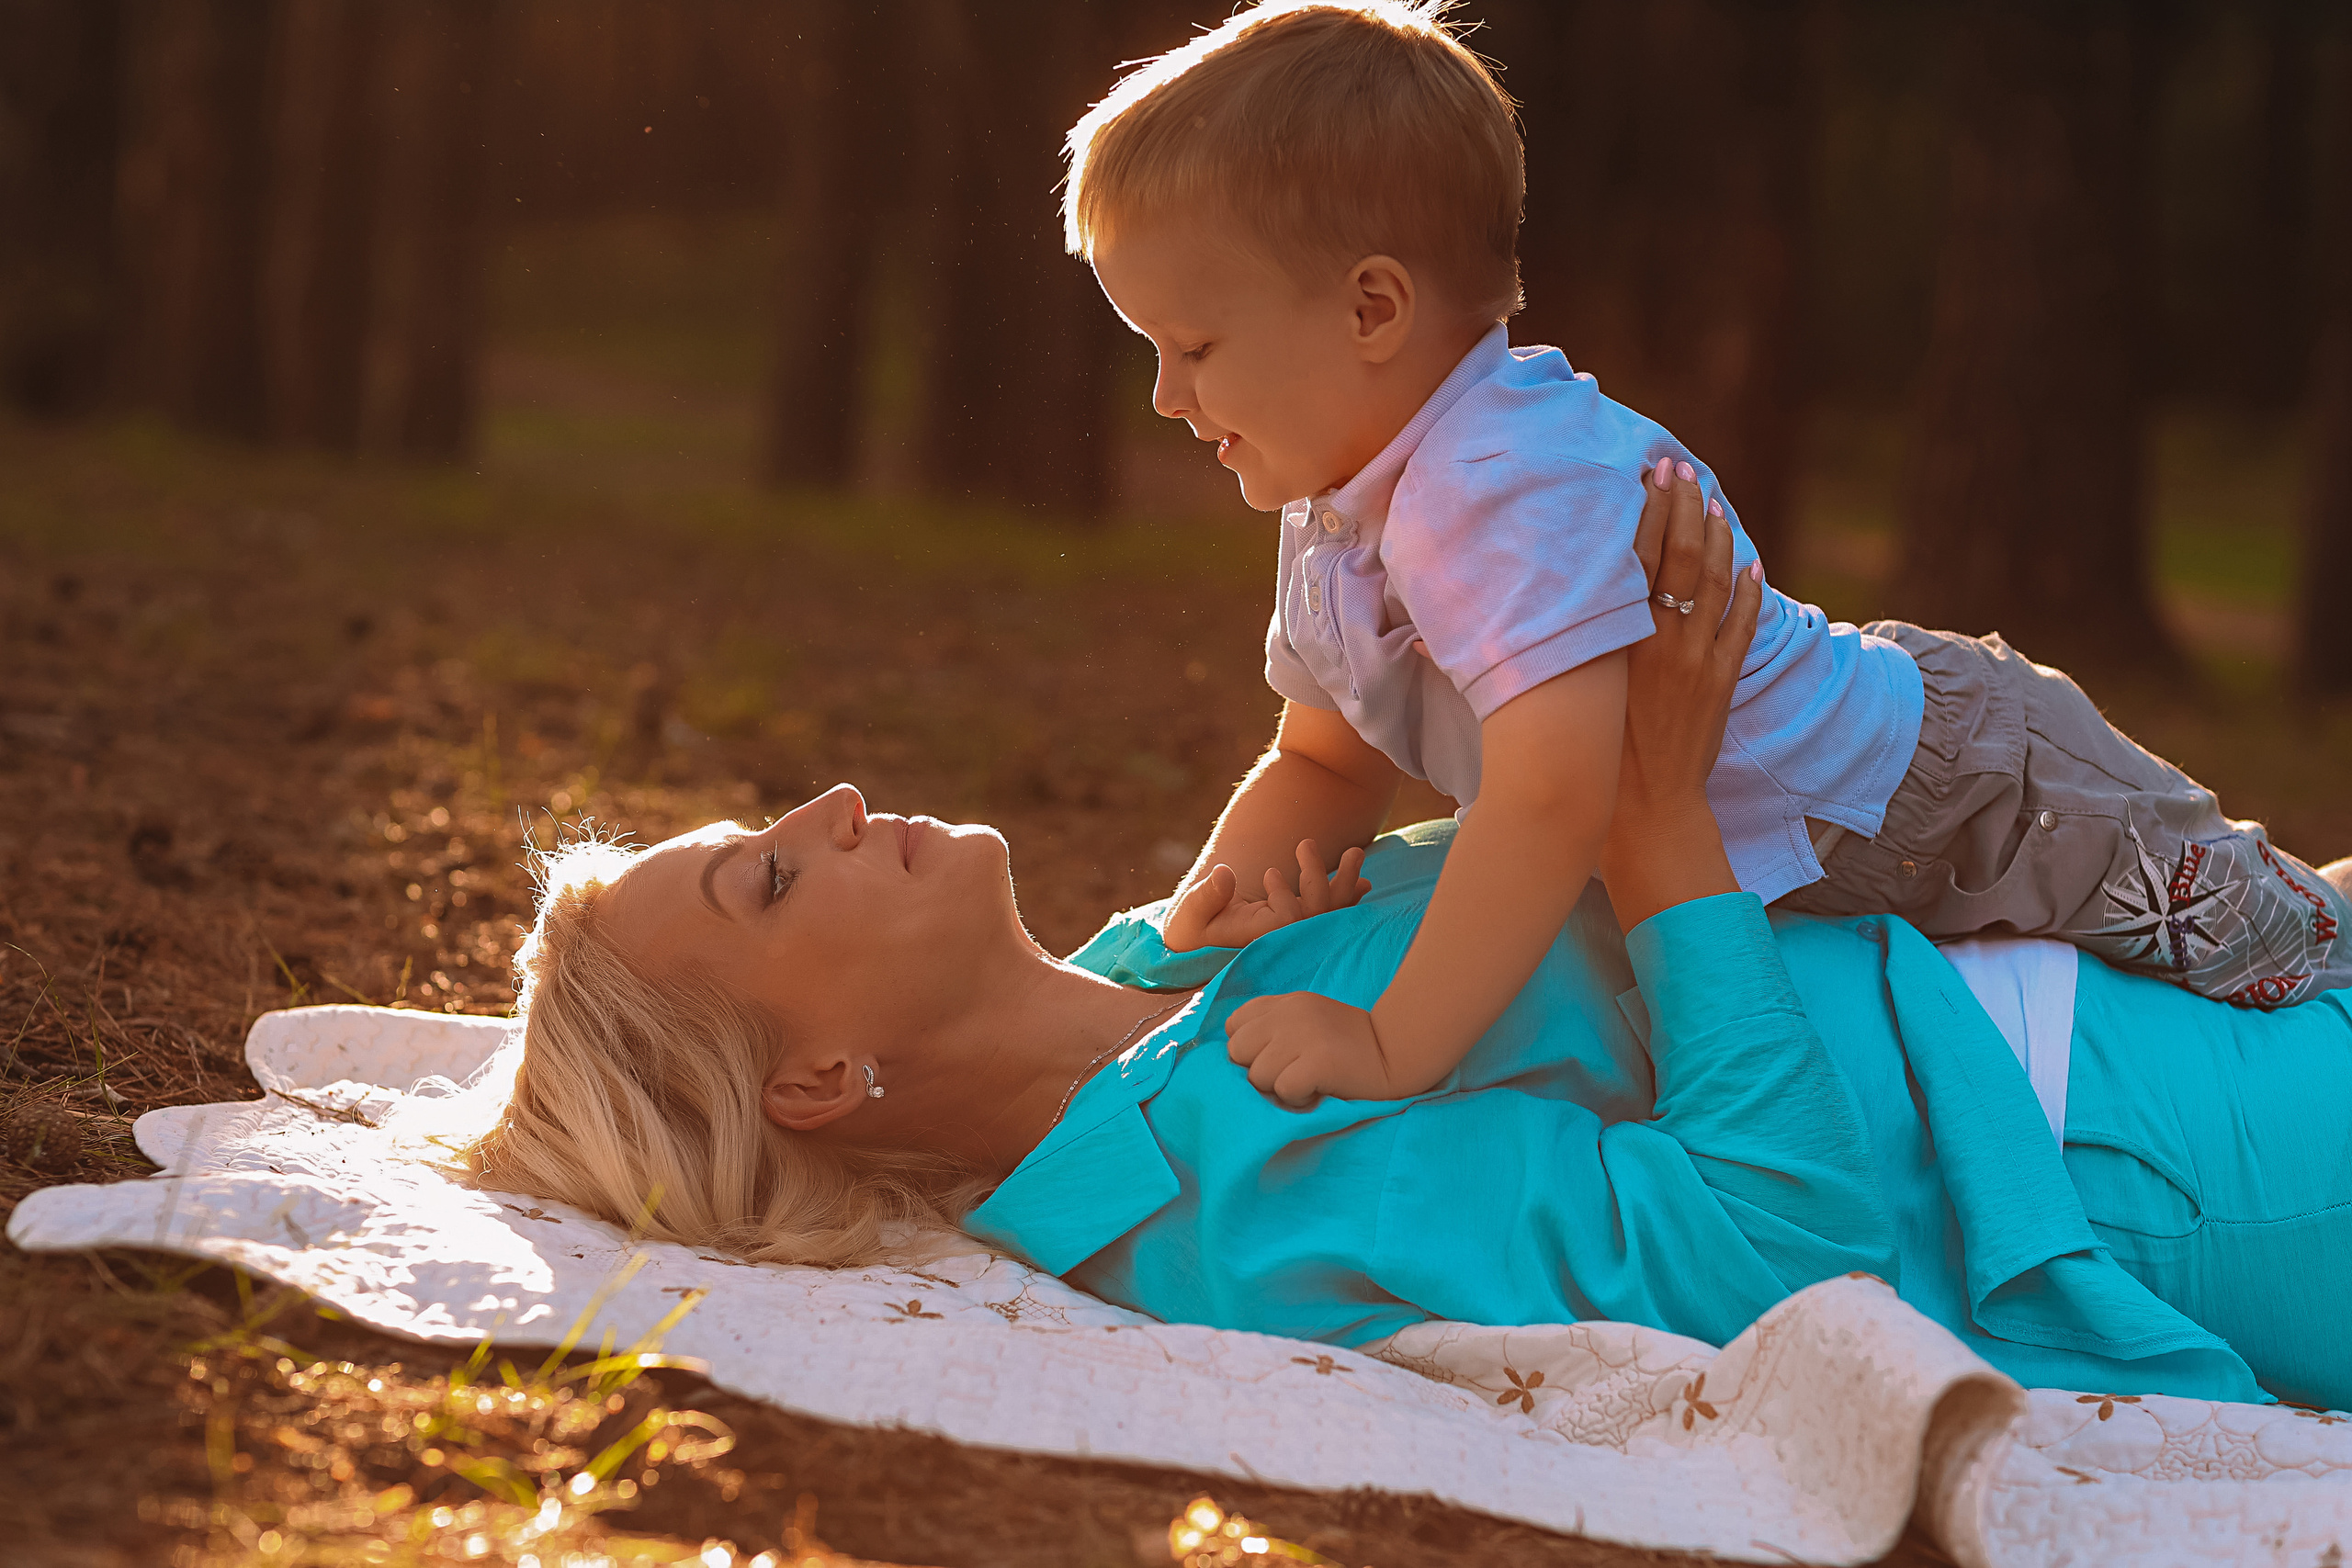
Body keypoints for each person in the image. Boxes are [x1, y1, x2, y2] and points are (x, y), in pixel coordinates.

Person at [467, 477, 2352, 1414]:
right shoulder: (1240, 1189)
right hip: (2128, 1149)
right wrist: (1654, 822)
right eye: (771, 883)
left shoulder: (1170, 983)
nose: (826, 805)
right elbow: (1778, 1251)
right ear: (816, 1079)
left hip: (2080, 985)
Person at [1057, 0, 2351, 1111]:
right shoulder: (1337, 509)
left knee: (2276, 953)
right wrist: (1198, 927)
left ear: (1372, 308)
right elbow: (1324, 760)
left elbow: (1551, 801)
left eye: (1194, 347)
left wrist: (1393, 1041)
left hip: (1965, 797)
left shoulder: (1502, 483)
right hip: (1824, 851)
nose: (1166, 395)